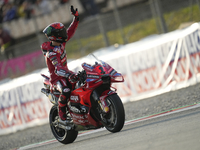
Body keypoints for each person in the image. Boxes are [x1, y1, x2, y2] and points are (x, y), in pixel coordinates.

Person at [41, 5, 79, 125]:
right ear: (55, 36)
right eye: (62, 32)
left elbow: (71, 31)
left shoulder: (61, 43)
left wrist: (76, 18)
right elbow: (58, 69)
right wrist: (70, 74)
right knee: (66, 89)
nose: (64, 33)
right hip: (57, 79)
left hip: (66, 74)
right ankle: (62, 117)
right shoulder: (51, 52)